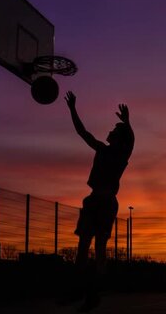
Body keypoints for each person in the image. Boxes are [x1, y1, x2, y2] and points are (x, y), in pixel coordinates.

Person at [64, 91, 134, 311]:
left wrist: (128, 124)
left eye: (114, 130)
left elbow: (130, 141)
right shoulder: (102, 150)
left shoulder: (121, 154)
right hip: (94, 200)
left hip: (105, 202)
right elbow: (82, 132)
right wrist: (72, 109)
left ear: (119, 138)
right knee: (83, 247)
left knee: (98, 248)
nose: (110, 131)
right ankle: (79, 291)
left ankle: (92, 293)